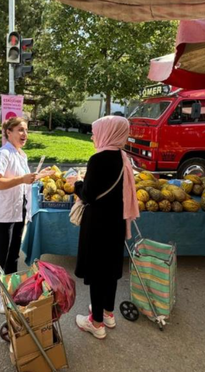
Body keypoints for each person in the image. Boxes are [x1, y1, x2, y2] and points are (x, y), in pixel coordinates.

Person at [71, 116, 139, 339]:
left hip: (98, 224)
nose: (93, 136)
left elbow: (88, 195)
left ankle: (96, 322)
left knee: (98, 272)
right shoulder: (123, 157)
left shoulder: (98, 159)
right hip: (116, 224)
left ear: (107, 132)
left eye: (96, 131)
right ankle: (108, 313)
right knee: (110, 270)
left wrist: (77, 184)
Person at [0, 117, 50, 313]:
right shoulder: (1, 154)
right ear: (8, 132)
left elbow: (22, 182)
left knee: (12, 255)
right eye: (20, 130)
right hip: (1, 215)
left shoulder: (21, 155)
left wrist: (38, 177)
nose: (24, 134)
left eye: (26, 130)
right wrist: (22, 178)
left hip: (18, 212)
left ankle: (9, 288)